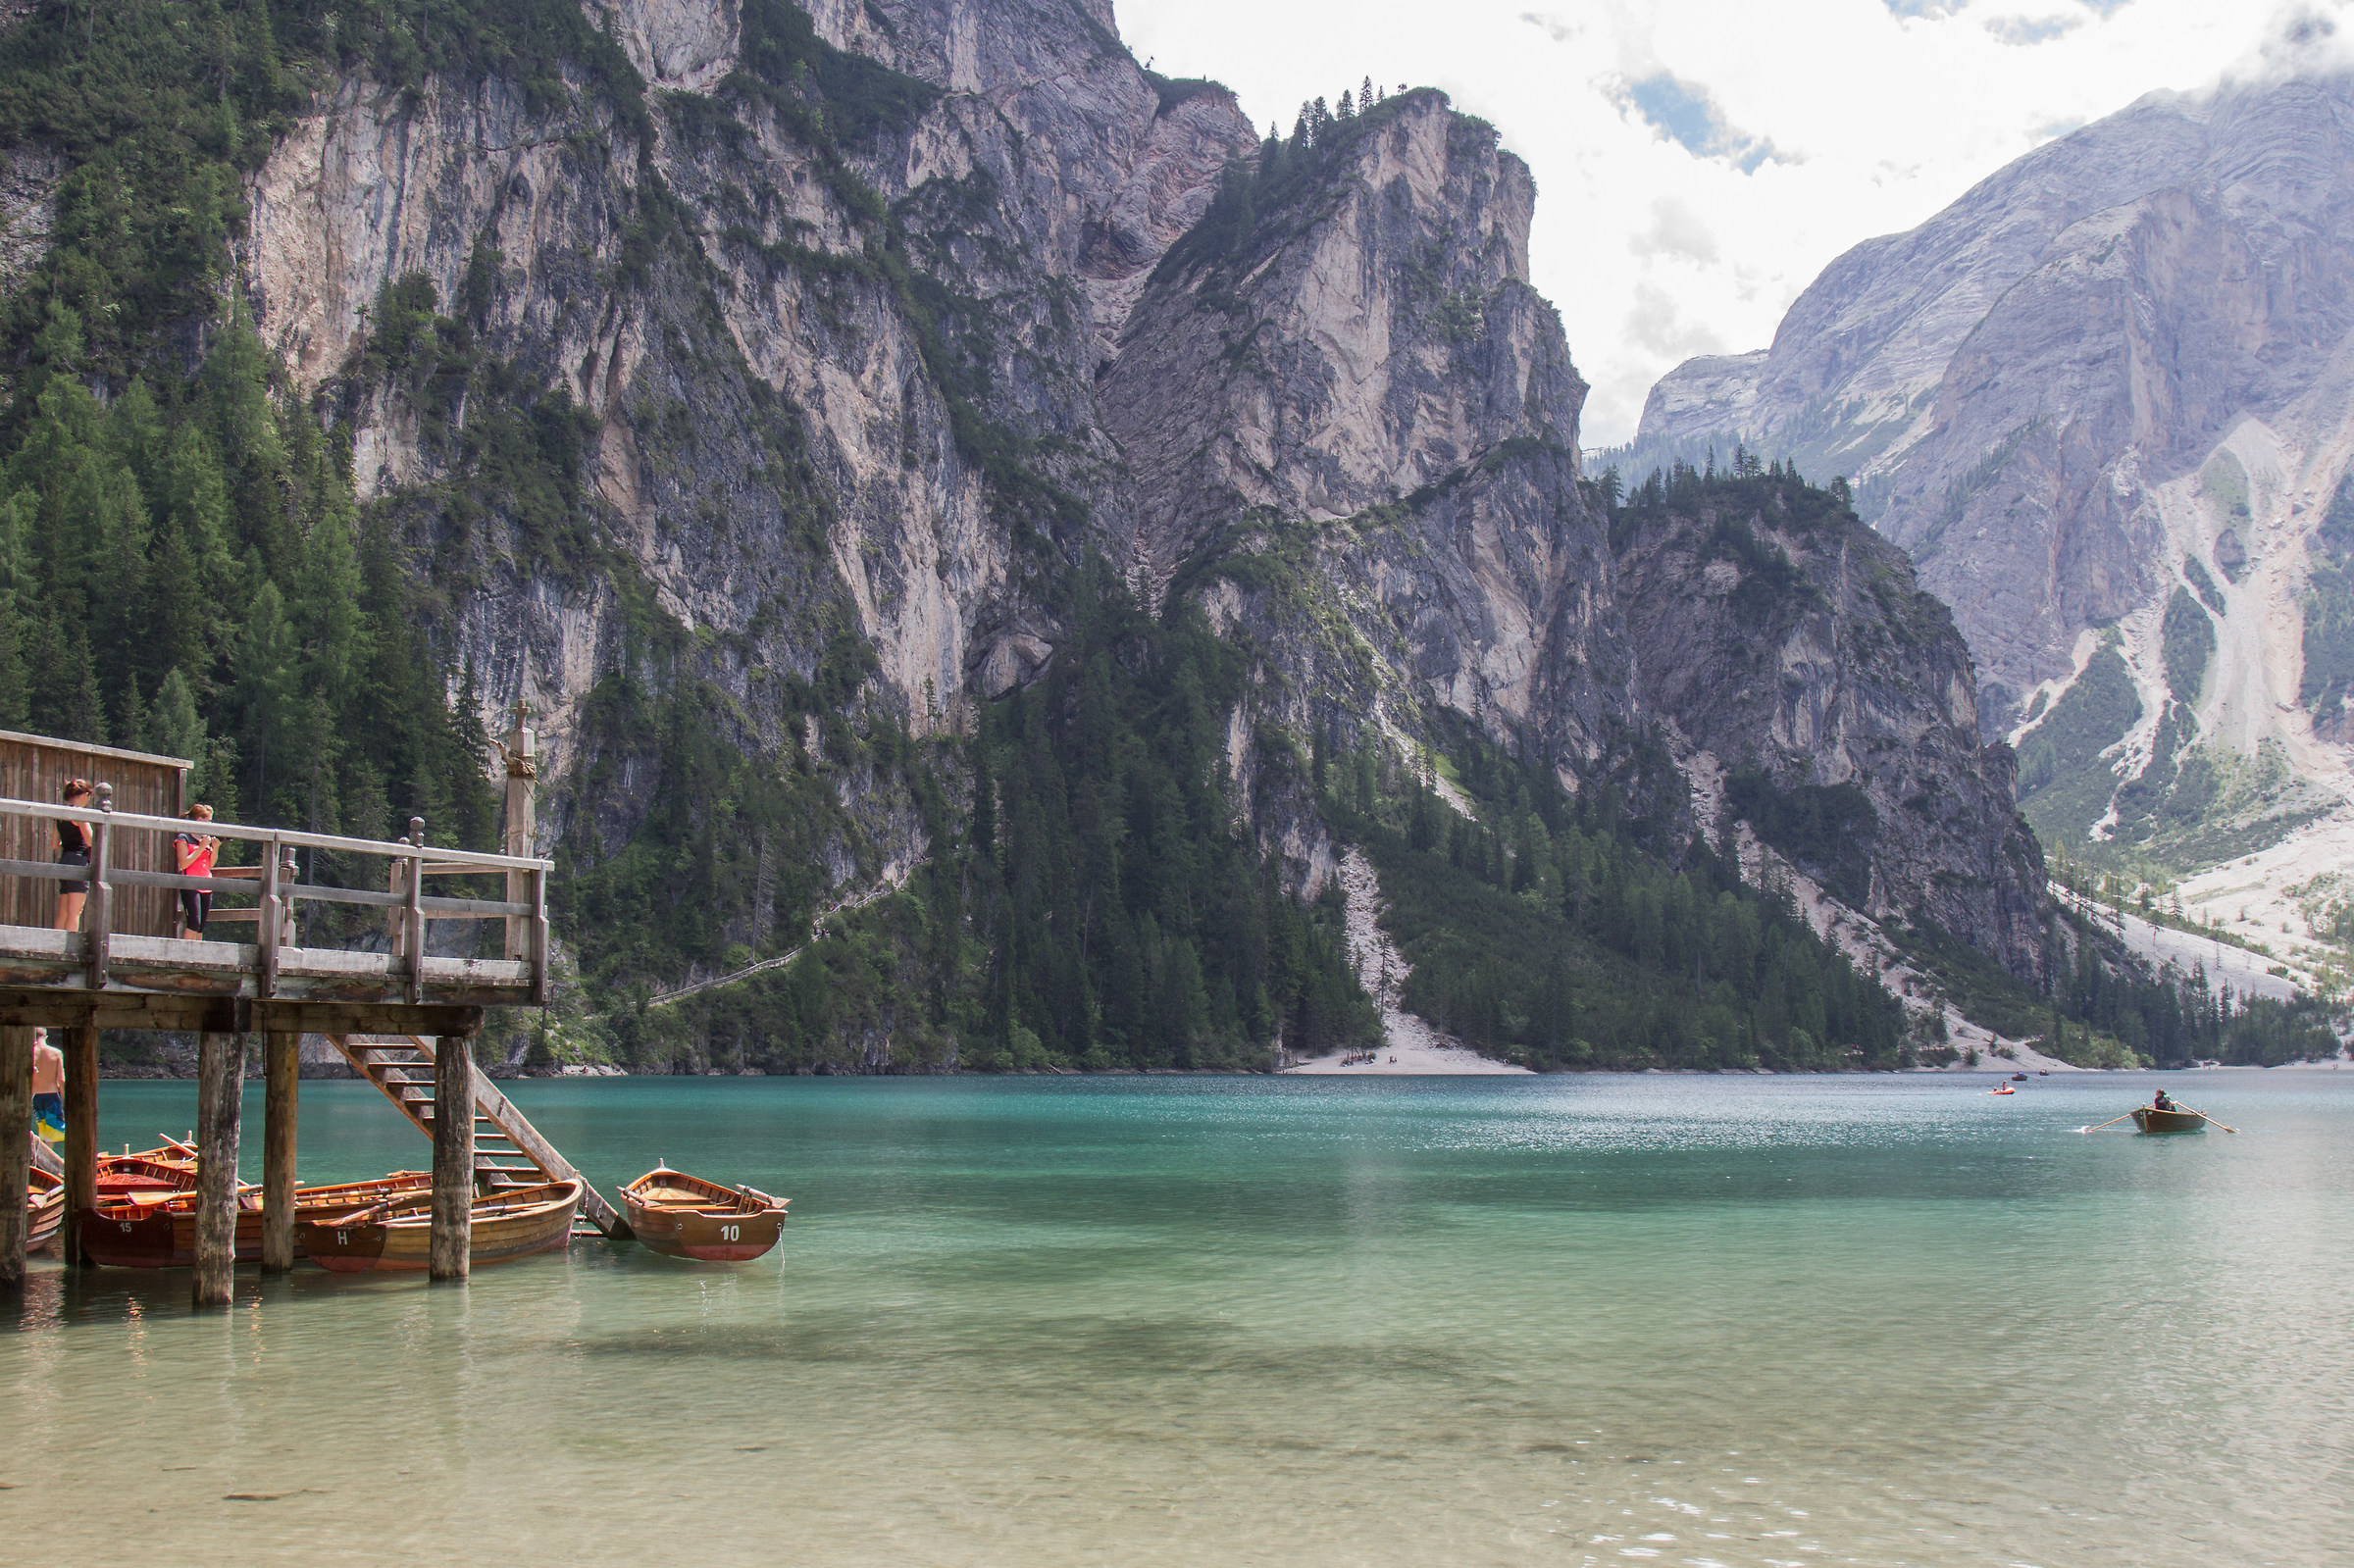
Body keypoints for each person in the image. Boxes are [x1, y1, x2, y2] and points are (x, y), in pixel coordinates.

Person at [174, 803, 220, 938]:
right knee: (193, 922)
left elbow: (210, 863)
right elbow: (184, 863)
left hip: (206, 883)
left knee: (201, 926)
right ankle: (186, 956)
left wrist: (215, 848)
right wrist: (201, 848)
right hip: (190, 882)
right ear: (199, 820)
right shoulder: (184, 838)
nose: (210, 824)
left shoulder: (204, 839)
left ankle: (198, 956)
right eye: (208, 821)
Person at [53, 778, 93, 931]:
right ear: (84, 795)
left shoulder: (60, 815)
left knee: (62, 912)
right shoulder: (79, 814)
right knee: (74, 912)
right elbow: (91, 841)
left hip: (64, 860)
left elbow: (54, 844)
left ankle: (55, 949)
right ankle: (70, 950)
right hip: (78, 861)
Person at [30, 1028, 64, 1145]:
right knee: (52, 1134)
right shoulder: (56, 1052)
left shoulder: (29, 1053)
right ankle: (48, 1160)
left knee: (42, 1131)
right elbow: (61, 1080)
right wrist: (64, 1099)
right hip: (52, 1097)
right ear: (46, 1037)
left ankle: (41, 1160)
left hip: (36, 1097)